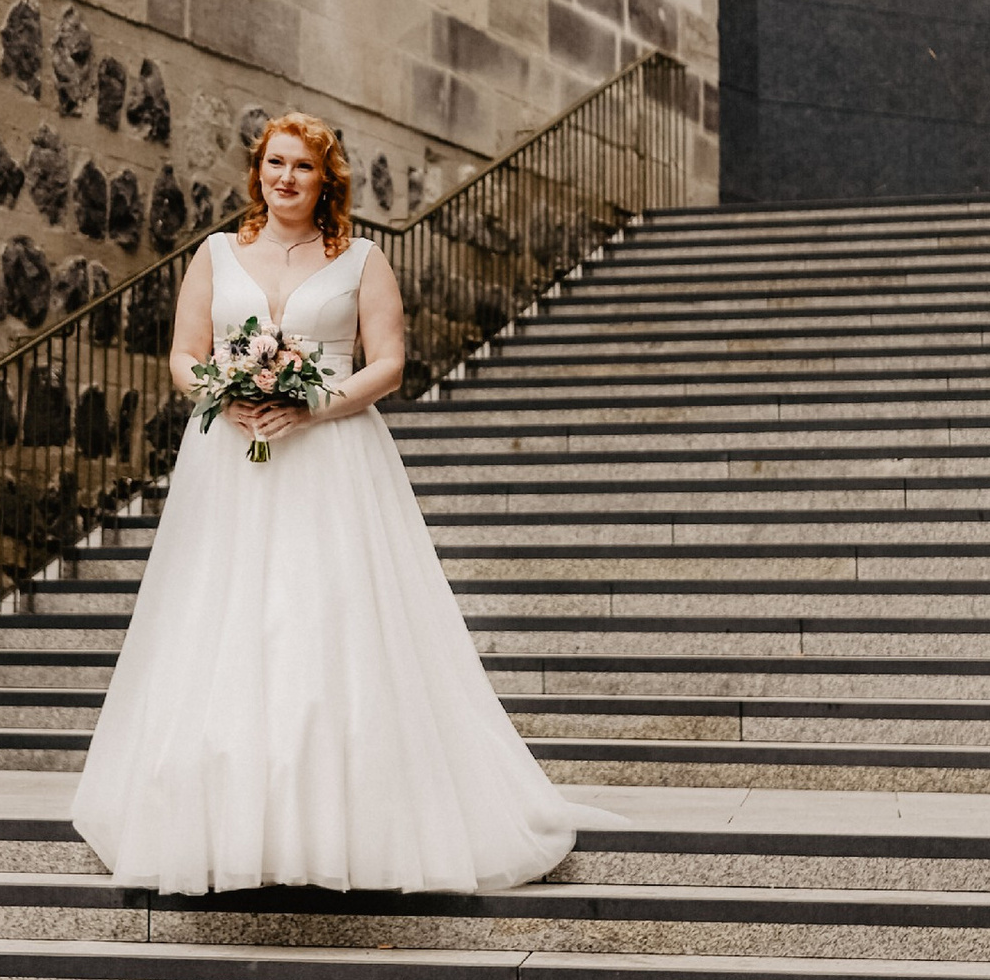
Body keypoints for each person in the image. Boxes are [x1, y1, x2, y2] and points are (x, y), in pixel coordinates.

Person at [71, 111, 605, 894]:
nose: (285, 178)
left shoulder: (359, 258)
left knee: (323, 619)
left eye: (302, 168)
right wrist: (225, 393)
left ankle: (341, 823)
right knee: (223, 622)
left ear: (327, 181)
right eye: (274, 163)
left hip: (330, 458)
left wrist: (311, 406)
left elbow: (387, 363)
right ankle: (222, 818)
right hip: (231, 459)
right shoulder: (216, 255)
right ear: (258, 170)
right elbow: (184, 356)